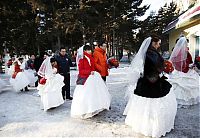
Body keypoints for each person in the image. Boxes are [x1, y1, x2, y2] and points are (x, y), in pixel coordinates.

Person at [123, 36, 177, 138]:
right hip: (152, 80)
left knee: (146, 102)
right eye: (158, 43)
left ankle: (145, 123)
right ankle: (151, 125)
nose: (159, 45)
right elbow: (154, 67)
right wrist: (163, 69)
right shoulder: (151, 53)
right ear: (154, 43)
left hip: (149, 79)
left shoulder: (150, 52)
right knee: (153, 101)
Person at [71, 45, 111, 119]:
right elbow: (81, 71)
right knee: (85, 95)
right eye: (88, 50)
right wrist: (89, 72)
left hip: (93, 78)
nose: (90, 51)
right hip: (85, 79)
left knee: (94, 94)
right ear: (84, 51)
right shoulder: (82, 59)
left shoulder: (91, 58)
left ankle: (94, 108)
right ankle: (85, 109)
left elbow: (93, 67)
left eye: (90, 50)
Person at [168, 36, 199, 107]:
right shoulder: (186, 52)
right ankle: (187, 100)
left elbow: (172, 61)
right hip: (186, 71)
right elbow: (190, 61)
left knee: (177, 85)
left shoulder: (175, 51)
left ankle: (174, 99)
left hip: (177, 71)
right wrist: (190, 66)